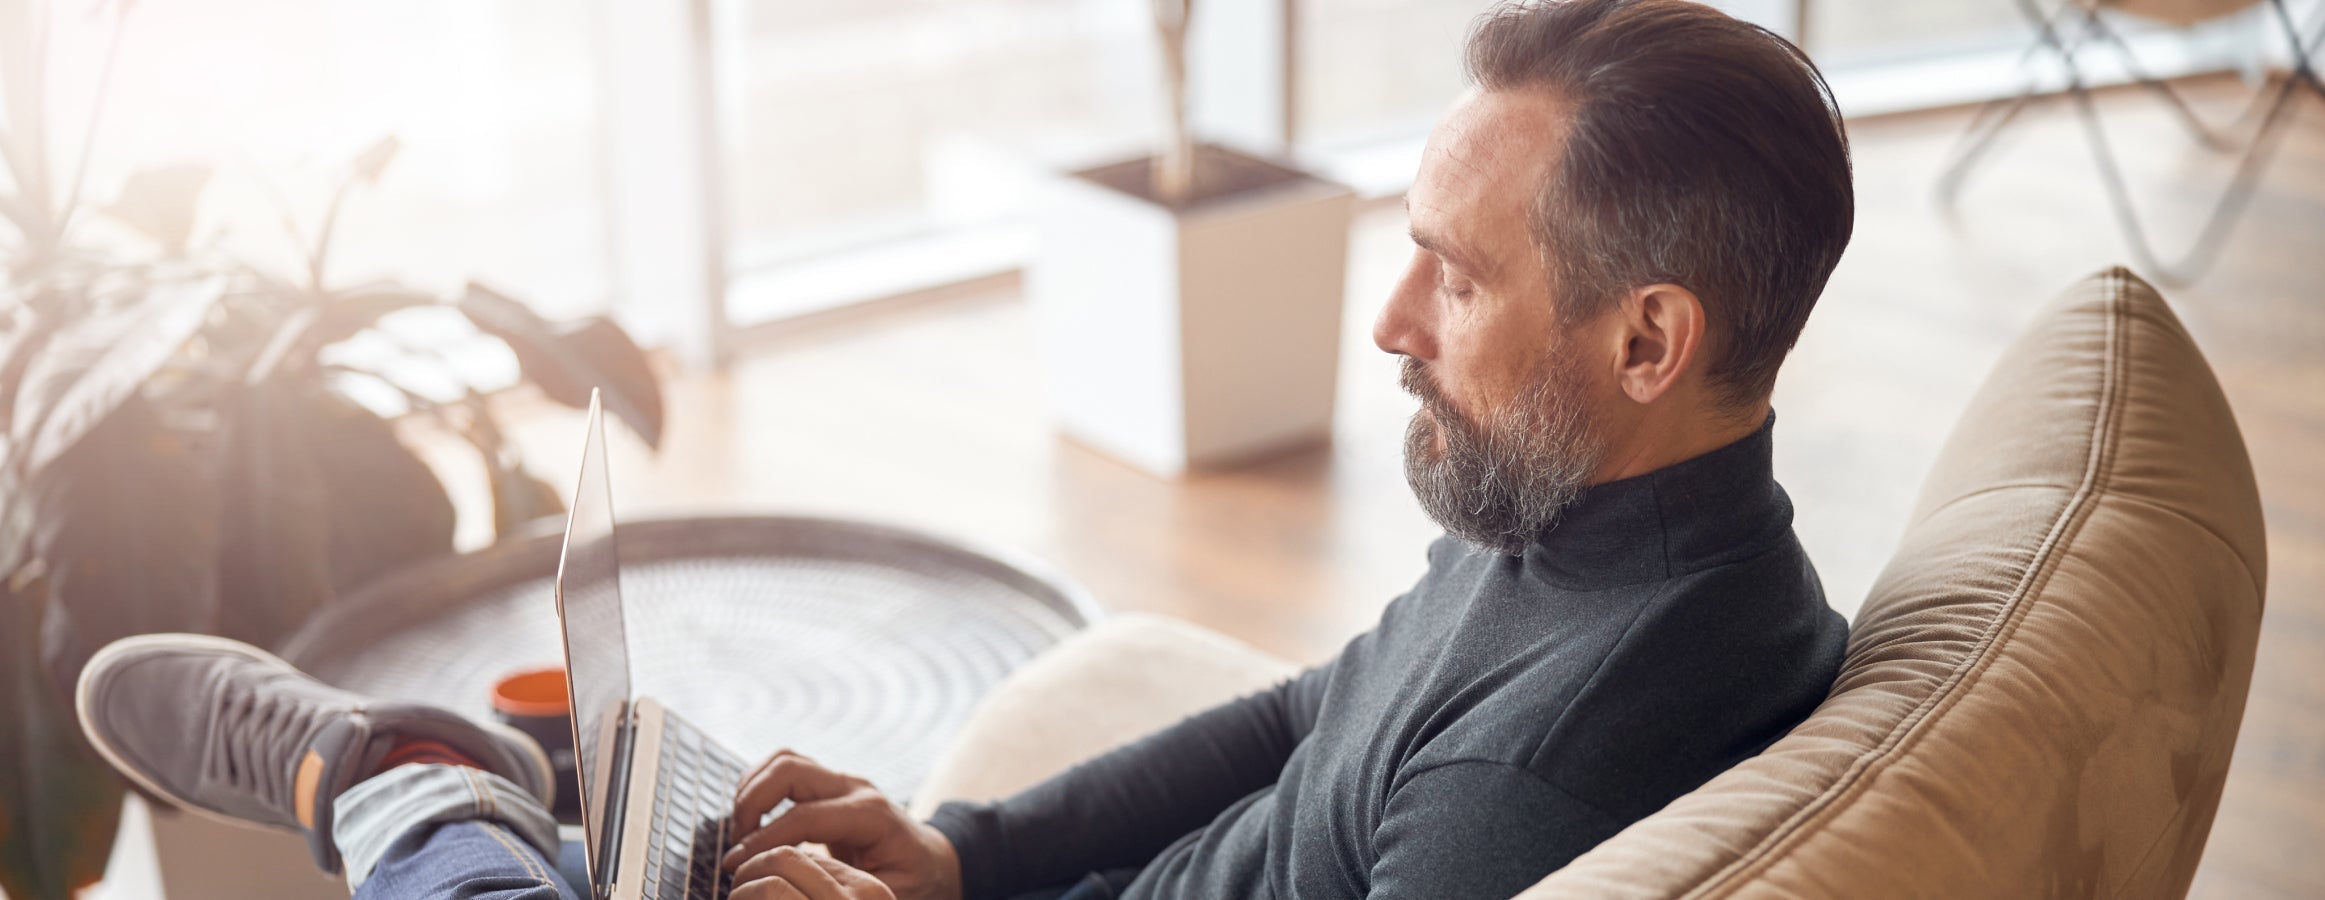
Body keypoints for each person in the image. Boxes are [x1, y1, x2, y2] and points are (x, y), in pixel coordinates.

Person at [74, 0, 1857, 897]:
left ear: (1647, 340)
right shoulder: (1578, 511)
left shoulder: (1570, 755)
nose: (1388, 322)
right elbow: (1314, 715)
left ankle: (400, 787)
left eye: (1453, 280)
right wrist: (959, 854)